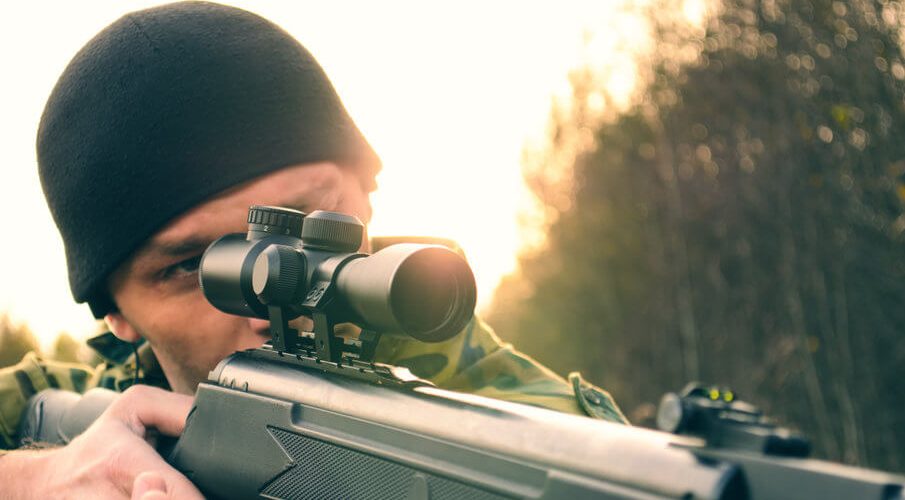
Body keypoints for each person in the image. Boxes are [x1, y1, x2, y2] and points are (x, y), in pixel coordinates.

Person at [0, 2, 625, 498]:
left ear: (368, 198)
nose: (268, 294)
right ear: (116, 312)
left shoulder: (546, 444)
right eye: (194, 266)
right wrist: (34, 482)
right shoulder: (91, 406)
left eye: (310, 220)